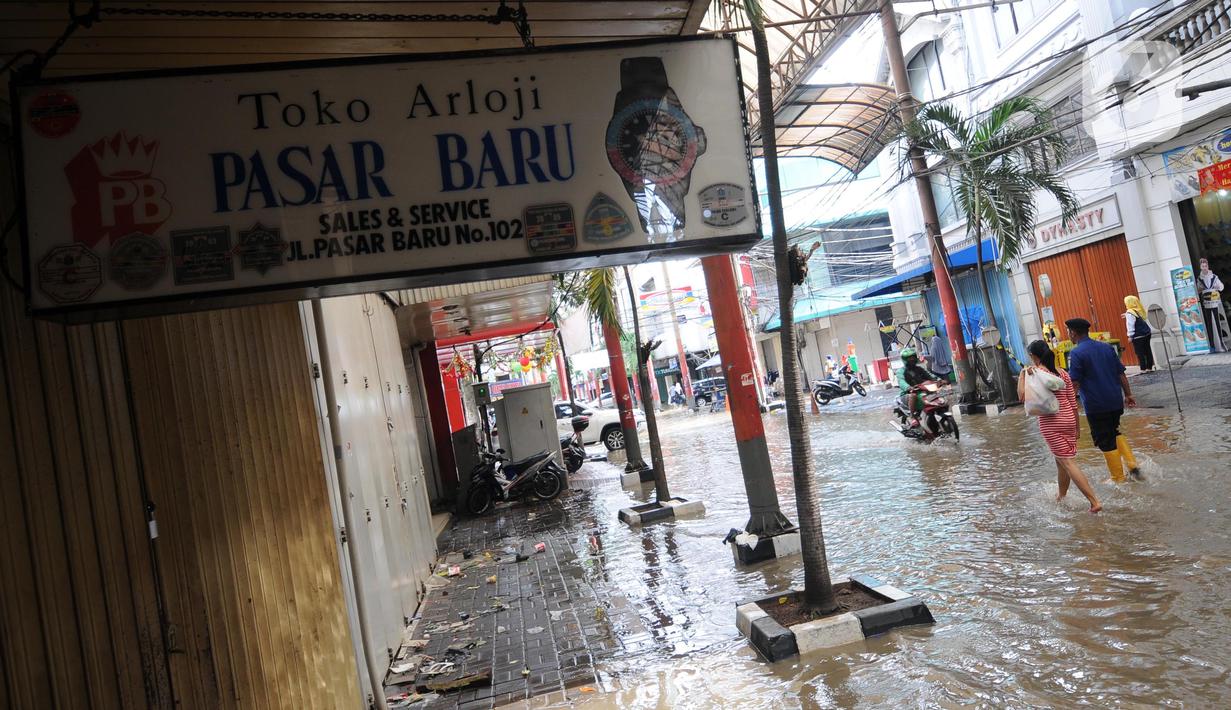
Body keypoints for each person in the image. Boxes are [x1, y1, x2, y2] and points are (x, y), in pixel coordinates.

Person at [1018, 340, 1102, 513]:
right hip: (1069, 420)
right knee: (1060, 461)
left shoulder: (1035, 373)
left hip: (1051, 423)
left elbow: (1022, 397)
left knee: (1067, 462)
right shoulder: (1063, 373)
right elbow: (1073, 402)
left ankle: (1094, 502)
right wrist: (1077, 427)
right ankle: (1061, 496)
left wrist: (1022, 375)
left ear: (1034, 357)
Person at [1064, 317, 1142, 483]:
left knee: (1104, 440)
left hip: (1096, 404)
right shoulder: (1106, 348)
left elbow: (1075, 382)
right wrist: (1128, 394)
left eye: (1068, 332)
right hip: (1115, 401)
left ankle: (1118, 478)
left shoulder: (1077, 353)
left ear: (1073, 333)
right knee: (1114, 431)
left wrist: (1068, 402)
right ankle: (1133, 467)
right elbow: (1121, 373)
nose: (1068, 335)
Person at [898, 347, 937, 434]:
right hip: (907, 393)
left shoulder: (919, 369)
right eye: (909, 358)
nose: (911, 359)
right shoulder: (901, 371)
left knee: (934, 394)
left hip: (921, 390)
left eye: (913, 357)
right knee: (913, 395)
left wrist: (939, 380)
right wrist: (908, 387)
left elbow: (930, 375)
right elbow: (901, 381)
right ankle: (912, 416)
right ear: (905, 360)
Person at [1198, 258, 1226, 352]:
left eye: (1206, 266)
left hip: (1214, 302)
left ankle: (1221, 345)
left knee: (1217, 323)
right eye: (1202, 266)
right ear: (1200, 267)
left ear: (1208, 266)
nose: (1204, 268)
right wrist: (1200, 290)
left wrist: (1217, 287)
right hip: (1206, 303)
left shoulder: (1214, 277)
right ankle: (1212, 346)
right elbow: (1198, 290)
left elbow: (1221, 287)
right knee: (1209, 324)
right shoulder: (1199, 279)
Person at [1123, 295, 1155, 371]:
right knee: (1147, 350)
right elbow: (1139, 317)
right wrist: (1126, 315)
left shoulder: (1129, 312)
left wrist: (1130, 336)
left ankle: (1143, 369)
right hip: (1147, 333)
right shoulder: (1138, 309)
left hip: (1138, 336)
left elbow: (1130, 325)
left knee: (1140, 352)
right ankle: (1149, 367)